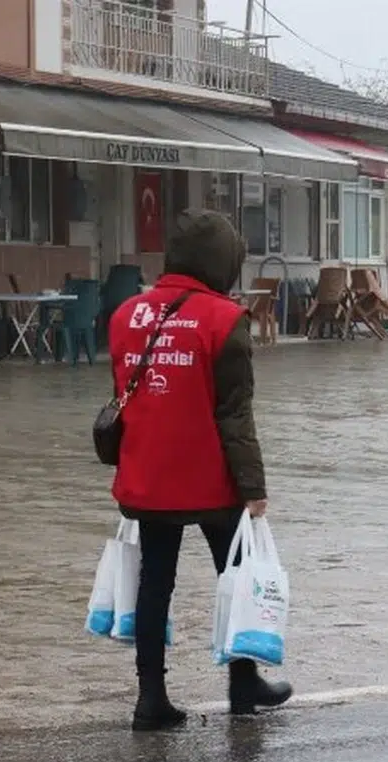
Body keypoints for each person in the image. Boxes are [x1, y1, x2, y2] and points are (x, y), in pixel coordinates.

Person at [109, 209, 292, 731]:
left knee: (154, 584)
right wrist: (253, 487)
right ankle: (242, 683)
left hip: (148, 476)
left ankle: (151, 699)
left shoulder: (126, 316)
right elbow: (234, 413)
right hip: (212, 479)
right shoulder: (224, 320)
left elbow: (123, 398)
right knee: (235, 577)